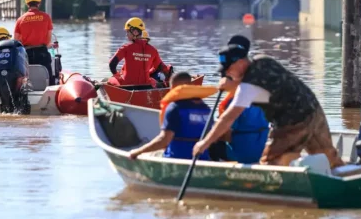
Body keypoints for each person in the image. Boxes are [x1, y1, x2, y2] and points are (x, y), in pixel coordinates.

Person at [192, 35, 345, 168]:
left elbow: (227, 118)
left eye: (228, 69)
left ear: (240, 63)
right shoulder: (263, 60)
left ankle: (277, 192)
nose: (226, 73)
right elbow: (264, 86)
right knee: (328, 157)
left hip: (293, 122)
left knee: (269, 163)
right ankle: (345, 181)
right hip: (313, 110)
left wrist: (204, 143)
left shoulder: (246, 89)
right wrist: (233, 85)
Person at [129, 72, 214, 161]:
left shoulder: (175, 108)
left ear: (173, 88)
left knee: (149, 154)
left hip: (176, 158)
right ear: (191, 86)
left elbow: (163, 140)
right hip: (201, 158)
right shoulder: (206, 109)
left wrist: (138, 152)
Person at [208, 93, 270, 164]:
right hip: (261, 153)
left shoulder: (235, 102)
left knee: (211, 144)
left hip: (241, 153)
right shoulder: (265, 101)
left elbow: (227, 134)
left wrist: (214, 138)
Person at [108, 17, 171, 87]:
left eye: (128, 32)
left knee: (111, 79)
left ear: (135, 32)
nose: (126, 34)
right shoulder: (153, 50)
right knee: (154, 81)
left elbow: (112, 64)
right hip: (146, 85)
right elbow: (160, 67)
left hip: (127, 84)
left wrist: (117, 75)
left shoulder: (125, 48)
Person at [14, 0, 55, 85]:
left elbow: (16, 41)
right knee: (49, 77)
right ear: (39, 2)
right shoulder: (46, 17)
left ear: (27, 3)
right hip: (42, 53)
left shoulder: (20, 19)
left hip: (26, 54)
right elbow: (48, 40)